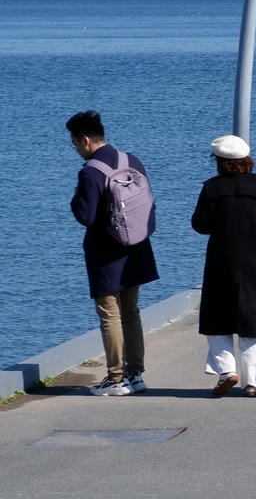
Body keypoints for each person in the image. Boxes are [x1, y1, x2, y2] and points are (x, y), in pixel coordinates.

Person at [66, 110, 158, 396]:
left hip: (106, 252)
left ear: (85, 140)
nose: (76, 149)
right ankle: (136, 375)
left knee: (110, 314)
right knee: (131, 311)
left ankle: (116, 378)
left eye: (74, 144)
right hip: (137, 247)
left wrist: (75, 198)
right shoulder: (131, 160)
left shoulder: (91, 171)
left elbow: (86, 215)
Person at [192, 134, 256, 397]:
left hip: (221, 261)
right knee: (253, 320)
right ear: (246, 159)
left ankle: (226, 371)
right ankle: (253, 382)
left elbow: (199, 224)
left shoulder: (211, 188)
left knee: (216, 319)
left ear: (220, 162)